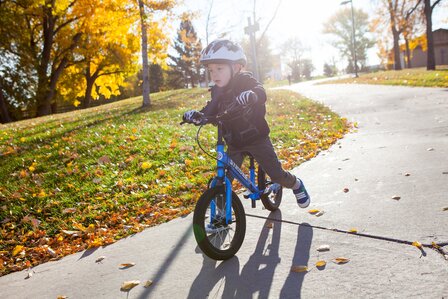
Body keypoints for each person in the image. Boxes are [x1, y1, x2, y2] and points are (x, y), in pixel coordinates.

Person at [183, 39, 310, 208]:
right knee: (222, 178)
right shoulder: (218, 91)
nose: (214, 75)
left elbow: (260, 91)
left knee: (276, 175)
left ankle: (296, 184)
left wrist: (252, 95)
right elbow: (210, 109)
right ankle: (220, 216)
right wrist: (198, 115)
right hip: (234, 142)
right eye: (211, 70)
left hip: (256, 138)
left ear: (235, 67)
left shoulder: (245, 81)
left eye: (219, 69)